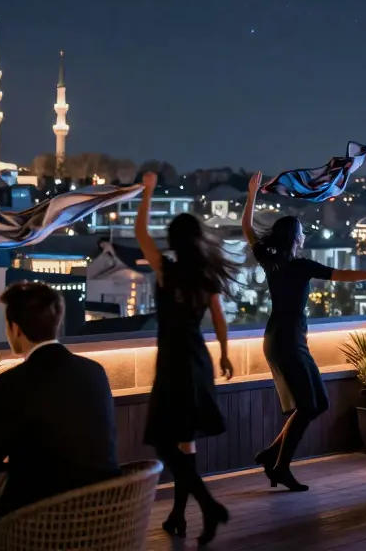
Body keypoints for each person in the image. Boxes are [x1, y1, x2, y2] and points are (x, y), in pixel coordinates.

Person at [243, 171, 366, 491]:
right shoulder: (300, 266)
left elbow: (247, 229)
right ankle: (280, 466)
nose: (304, 236)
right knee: (311, 405)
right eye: (301, 232)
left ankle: (273, 455)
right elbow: (344, 275)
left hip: (281, 339)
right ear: (295, 238)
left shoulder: (271, 259)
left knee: (316, 404)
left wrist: (251, 196)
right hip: (288, 341)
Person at [0, 281, 119, 551]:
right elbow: (57, 419)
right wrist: (0, 410)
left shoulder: (13, 383)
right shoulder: (94, 372)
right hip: (98, 519)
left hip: (38, 525)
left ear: (15, 328)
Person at [136, 172, 235, 545]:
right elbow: (220, 318)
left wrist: (147, 191)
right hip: (199, 360)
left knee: (165, 441)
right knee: (185, 440)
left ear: (174, 241)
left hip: (174, 362)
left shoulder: (167, 271)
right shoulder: (205, 275)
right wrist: (225, 355)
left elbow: (141, 233)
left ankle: (207, 506)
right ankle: (180, 515)